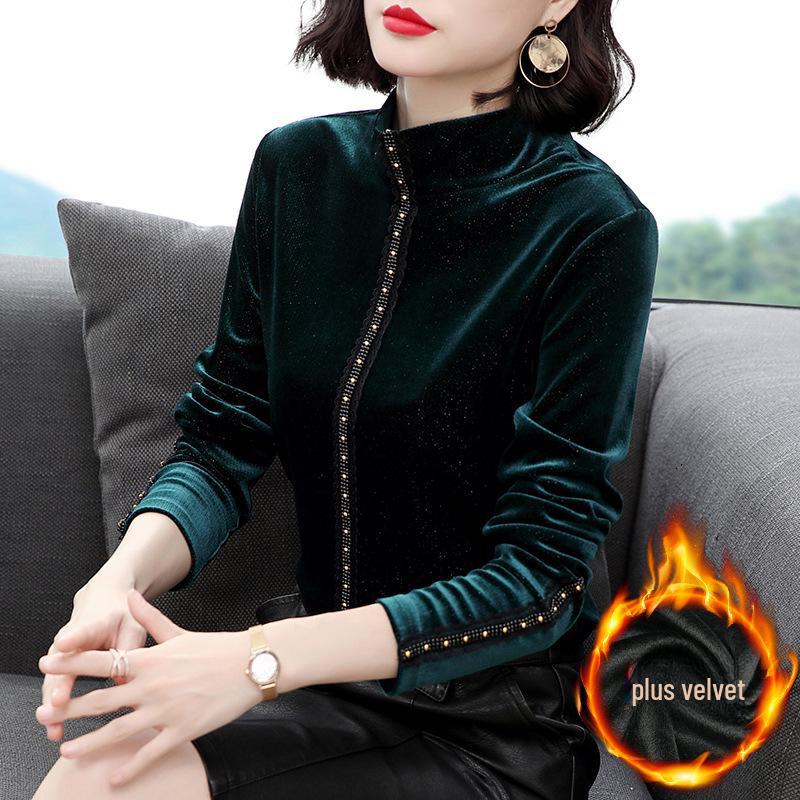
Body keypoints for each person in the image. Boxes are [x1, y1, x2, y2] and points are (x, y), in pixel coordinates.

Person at [34, 1, 659, 797]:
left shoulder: (594, 225)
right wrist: (120, 578)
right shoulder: (298, 166)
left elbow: (543, 579)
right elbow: (223, 440)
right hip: (316, 683)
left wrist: (257, 661)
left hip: (487, 730)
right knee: (96, 775)